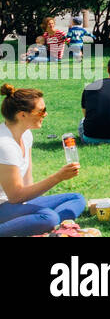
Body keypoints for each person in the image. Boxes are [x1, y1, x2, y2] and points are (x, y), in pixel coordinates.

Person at [0, 84, 85, 237]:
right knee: (49, 216)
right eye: (41, 111)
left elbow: (27, 182)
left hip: (13, 204)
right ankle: (49, 223)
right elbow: (15, 196)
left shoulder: (26, 135)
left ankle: (54, 226)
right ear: (22, 115)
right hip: (3, 206)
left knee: (76, 198)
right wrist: (58, 177)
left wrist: (31, 207)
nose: (45, 114)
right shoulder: (5, 144)